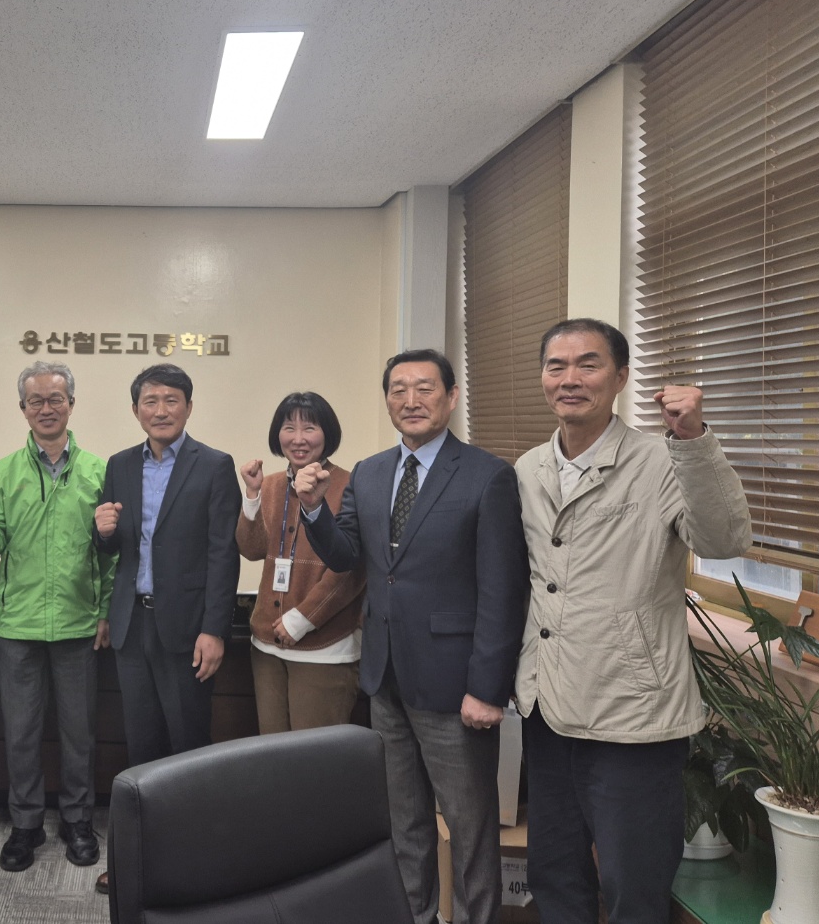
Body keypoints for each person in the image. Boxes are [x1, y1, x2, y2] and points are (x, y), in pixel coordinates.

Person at [514, 319, 752, 924]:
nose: (570, 379)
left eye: (588, 364)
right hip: (547, 708)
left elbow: (723, 539)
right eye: (556, 366)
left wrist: (694, 440)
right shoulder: (528, 468)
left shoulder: (661, 460)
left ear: (621, 377)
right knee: (554, 874)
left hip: (631, 715)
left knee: (633, 886)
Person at [295, 350, 529, 924]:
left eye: (425, 388)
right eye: (398, 389)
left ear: (452, 396)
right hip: (385, 676)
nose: (411, 400)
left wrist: (488, 689)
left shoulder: (487, 475)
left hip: (455, 684)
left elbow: (503, 591)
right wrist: (313, 509)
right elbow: (346, 556)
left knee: (470, 826)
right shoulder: (370, 472)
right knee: (405, 820)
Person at [0, 362, 114, 874]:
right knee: (21, 732)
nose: (46, 408)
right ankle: (25, 823)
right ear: (23, 409)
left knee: (79, 732)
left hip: (77, 622)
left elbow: (111, 553)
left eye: (55, 399)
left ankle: (78, 820)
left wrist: (105, 611)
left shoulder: (99, 471)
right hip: (17, 626)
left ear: (71, 404)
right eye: (36, 401)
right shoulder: (1, 473)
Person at [94, 363, 240, 892]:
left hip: (187, 629)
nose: (160, 410)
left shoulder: (214, 465)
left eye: (171, 400)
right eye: (150, 401)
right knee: (141, 748)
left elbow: (223, 553)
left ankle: (193, 862)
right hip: (133, 625)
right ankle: (141, 861)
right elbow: (115, 547)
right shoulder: (119, 465)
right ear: (136, 410)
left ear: (189, 407)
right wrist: (102, 532)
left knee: (188, 748)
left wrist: (215, 629)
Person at [237, 391, 364, 732]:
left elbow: (352, 568)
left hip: (325, 646)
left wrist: (304, 618)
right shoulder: (271, 484)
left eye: (309, 428)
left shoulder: (350, 485)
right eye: (288, 428)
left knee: (315, 756)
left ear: (327, 433)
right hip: (266, 645)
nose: (298, 438)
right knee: (273, 751)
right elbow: (251, 549)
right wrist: (252, 496)